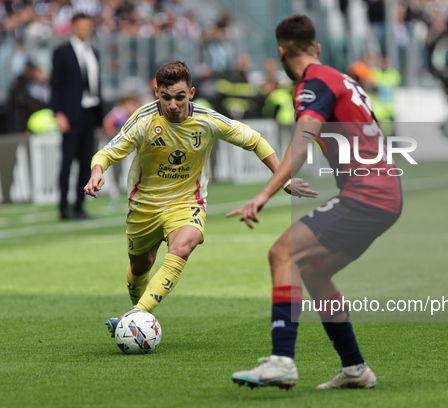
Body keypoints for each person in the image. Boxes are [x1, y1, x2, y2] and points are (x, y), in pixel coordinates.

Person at [227, 15, 402, 390]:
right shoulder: (340, 77)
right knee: (315, 271)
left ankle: (282, 362)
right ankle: (356, 369)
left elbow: (302, 146)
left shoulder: (313, 83)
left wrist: (263, 195)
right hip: (383, 192)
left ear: (281, 52)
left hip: (368, 193)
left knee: (282, 254)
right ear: (317, 48)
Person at [83, 61, 292, 337]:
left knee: (182, 247)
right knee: (140, 265)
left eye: (179, 97)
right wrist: (97, 172)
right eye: (166, 97)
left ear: (191, 93)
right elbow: (106, 152)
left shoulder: (207, 119)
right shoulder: (143, 119)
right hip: (144, 205)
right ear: (157, 92)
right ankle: (137, 311)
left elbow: (255, 140)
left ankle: (134, 317)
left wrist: (283, 178)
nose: (172, 104)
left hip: (186, 203)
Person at [51, 12, 103, 220]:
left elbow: (98, 83)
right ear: (73, 27)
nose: (84, 30)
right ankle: (64, 207)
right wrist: (58, 112)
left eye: (88, 26)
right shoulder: (61, 52)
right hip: (71, 114)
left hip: (91, 112)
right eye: (81, 26)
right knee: (67, 161)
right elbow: (55, 85)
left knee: (87, 162)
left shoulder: (94, 52)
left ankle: (80, 205)